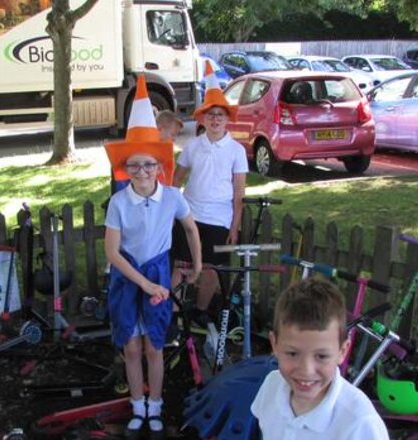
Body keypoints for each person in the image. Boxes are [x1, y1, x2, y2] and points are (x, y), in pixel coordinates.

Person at [104, 75, 202, 439]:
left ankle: (156, 404)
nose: (142, 172)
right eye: (134, 166)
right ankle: (137, 405)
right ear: (125, 169)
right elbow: (112, 252)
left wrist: (198, 263)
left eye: (149, 166)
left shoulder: (173, 197)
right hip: (129, 277)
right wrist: (145, 283)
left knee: (154, 345)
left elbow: (190, 229)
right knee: (131, 347)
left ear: (160, 167)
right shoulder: (118, 202)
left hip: (159, 271)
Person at [251, 278, 389, 439]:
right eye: (292, 354)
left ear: (342, 351)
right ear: (274, 344)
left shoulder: (360, 424)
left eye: (322, 356)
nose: (306, 370)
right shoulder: (271, 386)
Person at [171, 59, 248, 327]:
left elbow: (239, 192)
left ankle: (201, 311)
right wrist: (174, 209)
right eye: (211, 115)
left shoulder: (237, 151)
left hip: (220, 217)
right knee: (182, 264)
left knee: (212, 269)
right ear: (203, 118)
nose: (215, 119)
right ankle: (173, 312)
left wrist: (235, 224)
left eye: (221, 115)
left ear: (228, 119)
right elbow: (176, 180)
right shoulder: (193, 146)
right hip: (190, 213)